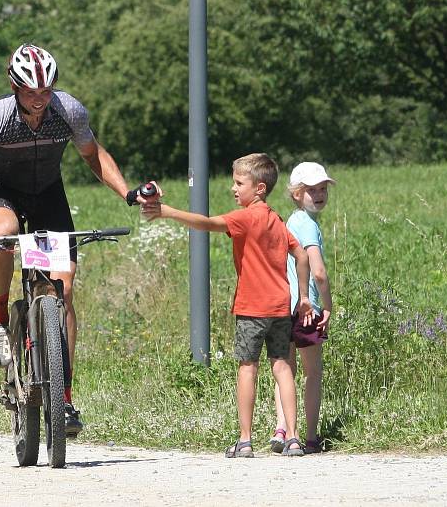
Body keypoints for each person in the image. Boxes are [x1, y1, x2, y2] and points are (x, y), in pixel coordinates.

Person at [0, 43, 154, 437]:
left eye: (45, 91)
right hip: (1, 191)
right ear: (14, 86)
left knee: (64, 289)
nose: (39, 101)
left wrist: (126, 192)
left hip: (48, 195)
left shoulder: (68, 110)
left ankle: (66, 398)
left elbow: (93, 155)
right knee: (2, 235)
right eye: (30, 92)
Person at [142, 153, 313, 457]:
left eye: (239, 183)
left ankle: (245, 440)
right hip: (280, 307)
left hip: (251, 308)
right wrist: (303, 297)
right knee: (283, 367)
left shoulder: (246, 217)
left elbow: (208, 223)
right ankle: (294, 437)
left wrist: (166, 212)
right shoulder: (276, 219)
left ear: (259, 188)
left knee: (248, 367)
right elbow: (300, 255)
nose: (233, 189)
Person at [269, 162, 335, 455]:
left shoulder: (289, 222)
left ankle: (282, 428)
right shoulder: (309, 226)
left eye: (322, 189)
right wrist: (328, 306)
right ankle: (309, 436)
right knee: (313, 373)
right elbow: (318, 271)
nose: (319, 195)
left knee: (285, 369)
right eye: (311, 190)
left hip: (283, 305)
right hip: (306, 309)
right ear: (296, 194)